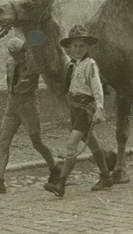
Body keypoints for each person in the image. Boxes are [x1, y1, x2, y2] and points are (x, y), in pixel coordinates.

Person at [0, 38, 61, 195]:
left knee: (36, 142)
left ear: (26, 50)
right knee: (3, 141)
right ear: (11, 54)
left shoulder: (35, 63)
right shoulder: (9, 63)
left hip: (29, 104)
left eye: (22, 54)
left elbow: (51, 68)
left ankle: (55, 169)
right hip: (12, 105)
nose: (20, 58)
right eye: (16, 55)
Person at [44, 25, 113, 197]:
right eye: (75, 46)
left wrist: (99, 108)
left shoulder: (90, 65)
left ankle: (61, 183)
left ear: (87, 47)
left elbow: (97, 88)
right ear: (69, 48)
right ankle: (106, 176)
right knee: (93, 144)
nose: (78, 49)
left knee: (71, 144)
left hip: (85, 110)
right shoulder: (72, 65)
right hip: (74, 109)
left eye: (82, 45)